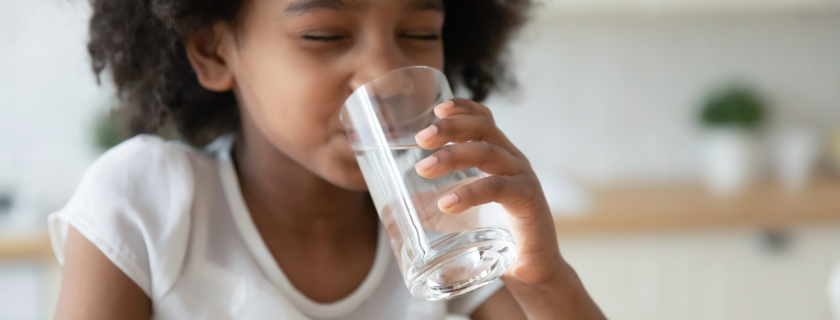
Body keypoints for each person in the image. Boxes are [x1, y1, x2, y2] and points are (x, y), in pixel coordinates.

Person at [49, 0, 605, 319]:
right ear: (215, 52)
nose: (384, 74)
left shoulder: (445, 227)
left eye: (418, 33)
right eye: (324, 35)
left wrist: (545, 281)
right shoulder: (144, 201)